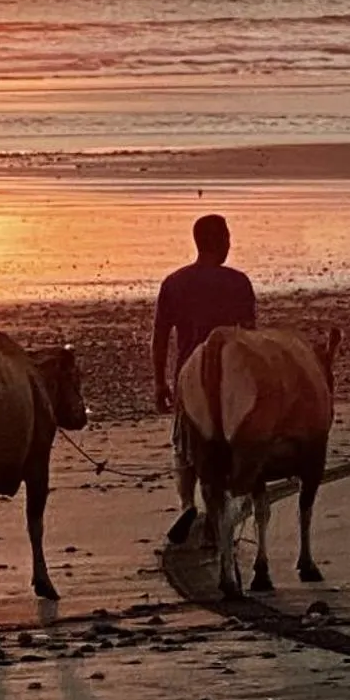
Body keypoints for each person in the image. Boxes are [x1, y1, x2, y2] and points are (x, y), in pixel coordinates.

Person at [152, 214, 256, 542]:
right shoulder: (238, 283)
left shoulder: (174, 282)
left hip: (189, 375)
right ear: (222, 242)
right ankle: (219, 512)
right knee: (227, 443)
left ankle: (186, 502)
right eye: (228, 238)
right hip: (232, 376)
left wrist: (159, 381)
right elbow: (249, 336)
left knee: (185, 444)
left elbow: (160, 337)